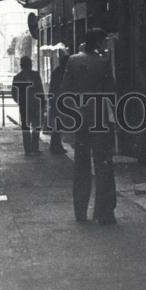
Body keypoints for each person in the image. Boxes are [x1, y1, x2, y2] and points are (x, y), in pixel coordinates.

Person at [61, 28, 117, 225]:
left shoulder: (73, 61)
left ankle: (80, 211)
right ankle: (104, 213)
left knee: (81, 165)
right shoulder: (103, 62)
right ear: (99, 43)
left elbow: (65, 90)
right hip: (100, 120)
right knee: (103, 165)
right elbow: (111, 91)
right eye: (104, 41)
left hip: (81, 120)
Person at [11, 56, 44, 155]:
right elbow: (40, 90)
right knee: (33, 127)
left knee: (28, 127)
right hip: (32, 105)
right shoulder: (34, 75)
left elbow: (14, 93)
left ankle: (29, 149)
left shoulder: (18, 77)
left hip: (28, 106)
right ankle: (33, 148)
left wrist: (19, 101)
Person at [48, 48, 69, 155]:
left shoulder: (57, 71)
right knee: (58, 124)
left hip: (56, 100)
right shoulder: (61, 72)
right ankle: (56, 146)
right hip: (59, 101)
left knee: (57, 124)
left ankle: (55, 145)